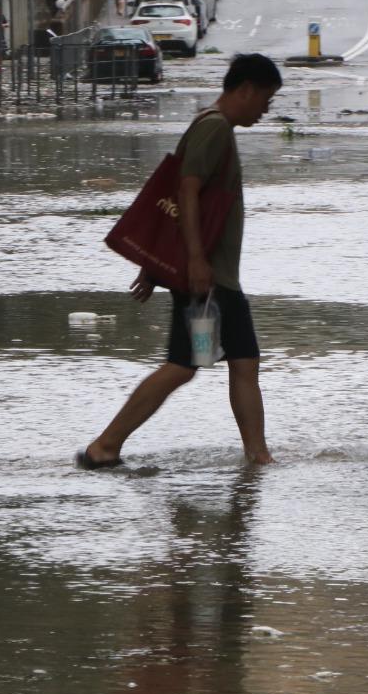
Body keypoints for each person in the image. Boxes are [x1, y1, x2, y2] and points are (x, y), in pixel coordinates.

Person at [78, 53, 284, 470]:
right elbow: (186, 193)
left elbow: (175, 201)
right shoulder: (214, 129)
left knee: (242, 363)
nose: (266, 109)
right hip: (209, 277)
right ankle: (105, 445)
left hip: (214, 275)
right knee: (183, 366)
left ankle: (258, 456)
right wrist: (192, 262)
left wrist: (159, 267)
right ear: (245, 89)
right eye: (264, 99)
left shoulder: (213, 125)